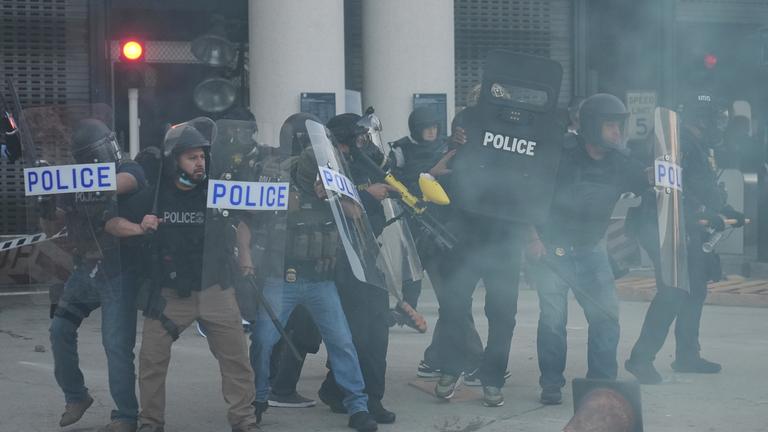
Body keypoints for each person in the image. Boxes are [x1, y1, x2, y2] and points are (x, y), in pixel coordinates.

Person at [111, 120, 259, 432]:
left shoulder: (218, 192)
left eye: (202, 156)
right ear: (173, 160)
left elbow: (243, 219)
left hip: (216, 289)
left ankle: (244, 421)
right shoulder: (152, 197)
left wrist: (245, 254)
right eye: (191, 157)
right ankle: (151, 423)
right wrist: (139, 227)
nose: (200, 163)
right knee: (151, 362)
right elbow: (111, 222)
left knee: (236, 361)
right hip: (168, 295)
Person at [247, 113, 378, 432]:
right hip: (283, 277)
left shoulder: (332, 184)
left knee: (342, 341)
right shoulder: (283, 187)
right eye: (317, 178)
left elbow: (357, 213)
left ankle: (357, 407)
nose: (321, 182)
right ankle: (259, 399)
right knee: (263, 341)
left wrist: (334, 195)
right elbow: (254, 216)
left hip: (321, 279)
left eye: (325, 176)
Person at [528, 93, 649, 405]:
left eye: (619, 126)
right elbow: (527, 195)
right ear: (594, 126)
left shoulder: (621, 163)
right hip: (551, 250)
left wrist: (670, 167)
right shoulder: (559, 155)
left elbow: (650, 180)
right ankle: (551, 384)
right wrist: (532, 238)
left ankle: (602, 384)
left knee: (606, 318)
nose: (618, 133)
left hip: (591, 250)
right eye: (611, 126)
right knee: (553, 321)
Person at [625, 91, 745, 384]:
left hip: (683, 226)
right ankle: (641, 359)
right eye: (717, 119)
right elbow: (671, 195)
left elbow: (696, 191)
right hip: (662, 227)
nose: (720, 125)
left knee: (695, 289)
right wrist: (712, 213)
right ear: (701, 120)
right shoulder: (680, 146)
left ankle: (687, 355)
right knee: (674, 290)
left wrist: (726, 210)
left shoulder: (692, 145)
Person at [43, 118, 146, 432]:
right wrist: (46, 201)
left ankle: (126, 414)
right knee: (59, 330)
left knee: (115, 345)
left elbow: (121, 183)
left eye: (93, 156)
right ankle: (76, 396)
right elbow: (54, 228)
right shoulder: (73, 182)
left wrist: (67, 181)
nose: (92, 162)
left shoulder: (129, 169)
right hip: (85, 269)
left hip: (120, 272)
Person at [314, 112, 397, 423]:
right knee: (357, 332)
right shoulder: (326, 166)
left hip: (368, 255)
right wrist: (366, 193)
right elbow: (334, 203)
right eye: (358, 138)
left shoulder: (368, 163)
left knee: (375, 329)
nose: (364, 144)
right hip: (339, 259)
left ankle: (367, 396)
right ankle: (349, 393)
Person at [389, 106, 452, 327]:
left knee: (441, 265)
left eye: (434, 127)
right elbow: (389, 177)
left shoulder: (446, 147)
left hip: (439, 216)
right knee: (413, 265)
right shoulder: (401, 149)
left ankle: (446, 308)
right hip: (412, 214)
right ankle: (408, 307)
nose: (432, 132)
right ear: (417, 130)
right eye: (427, 128)